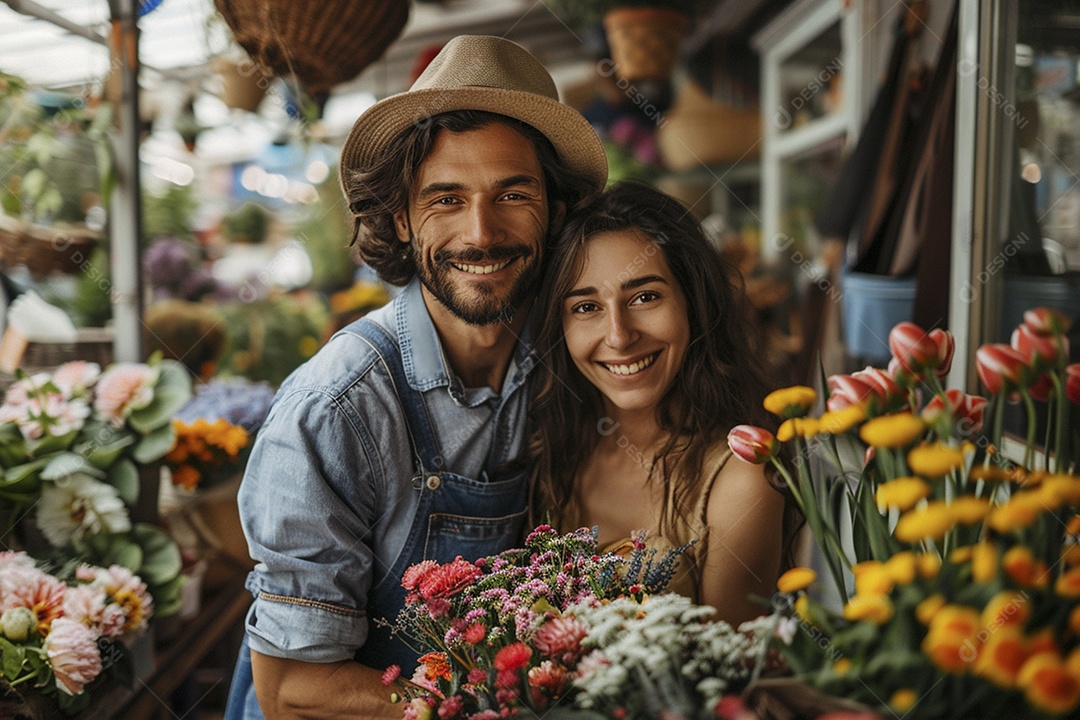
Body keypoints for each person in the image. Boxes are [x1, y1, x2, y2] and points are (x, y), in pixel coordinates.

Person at [225, 36, 606, 720]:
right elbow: (292, 693)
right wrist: (483, 703)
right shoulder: (334, 410)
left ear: (555, 206)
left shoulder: (562, 362)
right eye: (446, 199)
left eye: (513, 193)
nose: (481, 233)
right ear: (400, 217)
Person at [529, 181, 798, 625]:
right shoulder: (546, 445)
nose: (619, 335)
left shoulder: (741, 479)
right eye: (585, 307)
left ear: (693, 302)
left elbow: (722, 677)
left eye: (645, 297)